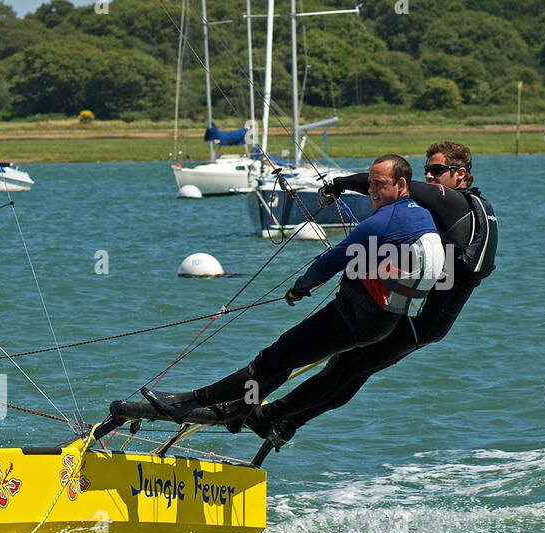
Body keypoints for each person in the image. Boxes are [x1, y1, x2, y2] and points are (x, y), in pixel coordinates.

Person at [180, 141, 498, 457]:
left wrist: (340, 184)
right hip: (429, 324)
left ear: (461, 174)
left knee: (341, 370)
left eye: (437, 171)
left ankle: (263, 415)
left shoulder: (455, 203)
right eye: (427, 170)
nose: (429, 178)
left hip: (418, 320)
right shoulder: (481, 210)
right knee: (350, 374)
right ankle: (285, 421)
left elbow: (395, 186)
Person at [110, 154, 445, 426]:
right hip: (379, 322)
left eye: (379, 184)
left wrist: (300, 288)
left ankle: (187, 402)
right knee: (285, 360)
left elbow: (331, 260)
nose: (371, 190)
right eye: (369, 183)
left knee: (271, 359)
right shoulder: (417, 214)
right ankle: (240, 411)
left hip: (356, 317)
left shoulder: (383, 221)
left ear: (401, 184)